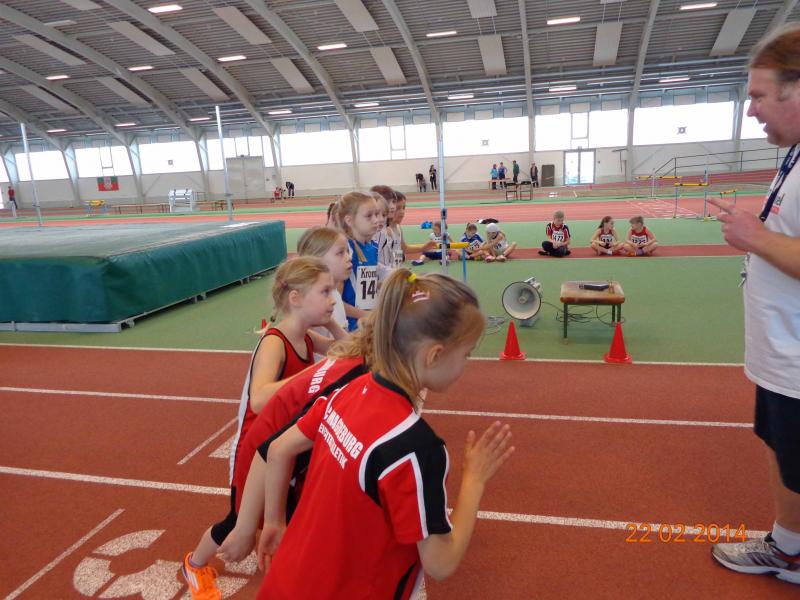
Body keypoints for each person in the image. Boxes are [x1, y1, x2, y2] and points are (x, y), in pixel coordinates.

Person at [252, 269, 514, 599]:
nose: (466, 364)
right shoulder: (417, 448)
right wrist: (475, 479)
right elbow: (441, 563)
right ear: (435, 354)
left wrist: (274, 522)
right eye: (466, 354)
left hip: (286, 584)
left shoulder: (349, 390)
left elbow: (278, 449)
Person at [182, 256, 345, 600]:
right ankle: (194, 565)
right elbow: (258, 398)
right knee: (237, 520)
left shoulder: (306, 336)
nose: (333, 299)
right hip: (255, 449)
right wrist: (313, 374)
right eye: (325, 291)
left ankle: (295, 573)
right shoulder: (276, 341)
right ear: (295, 298)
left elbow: (345, 352)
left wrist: (332, 324)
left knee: (292, 511)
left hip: (282, 444)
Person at [707, 23, 800, 585]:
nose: (751, 110)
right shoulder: (795, 156)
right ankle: (789, 546)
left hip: (796, 356)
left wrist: (756, 237)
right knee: (785, 453)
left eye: (760, 95)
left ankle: (790, 552)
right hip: (783, 351)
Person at [297, 227, 352, 361]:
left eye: (348, 251)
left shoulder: (335, 294)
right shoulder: (311, 300)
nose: (349, 257)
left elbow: (346, 346)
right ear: (317, 260)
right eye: (340, 253)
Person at [338, 191, 381, 331]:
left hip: (370, 324)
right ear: (349, 220)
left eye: (376, 214)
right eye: (369, 216)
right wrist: (366, 315)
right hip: (352, 329)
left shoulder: (373, 247)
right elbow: (336, 301)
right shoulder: (345, 251)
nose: (376, 220)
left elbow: (366, 286)